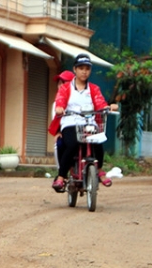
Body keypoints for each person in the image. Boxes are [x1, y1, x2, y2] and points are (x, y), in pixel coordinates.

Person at [50, 54, 119, 192]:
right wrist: (59, 108)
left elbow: (99, 102)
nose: (84, 71)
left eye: (87, 68)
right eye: (81, 68)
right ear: (75, 69)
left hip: (88, 122)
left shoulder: (94, 89)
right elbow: (60, 101)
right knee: (72, 145)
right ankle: (61, 176)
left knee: (98, 141)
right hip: (70, 122)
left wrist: (107, 107)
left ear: (90, 71)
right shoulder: (65, 88)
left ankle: (98, 169)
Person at [49, 70, 75, 169]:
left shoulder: (78, 98)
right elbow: (55, 121)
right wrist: (57, 133)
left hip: (81, 130)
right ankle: (62, 173)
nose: (60, 85)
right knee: (59, 143)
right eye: (59, 83)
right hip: (66, 132)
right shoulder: (56, 103)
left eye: (63, 82)